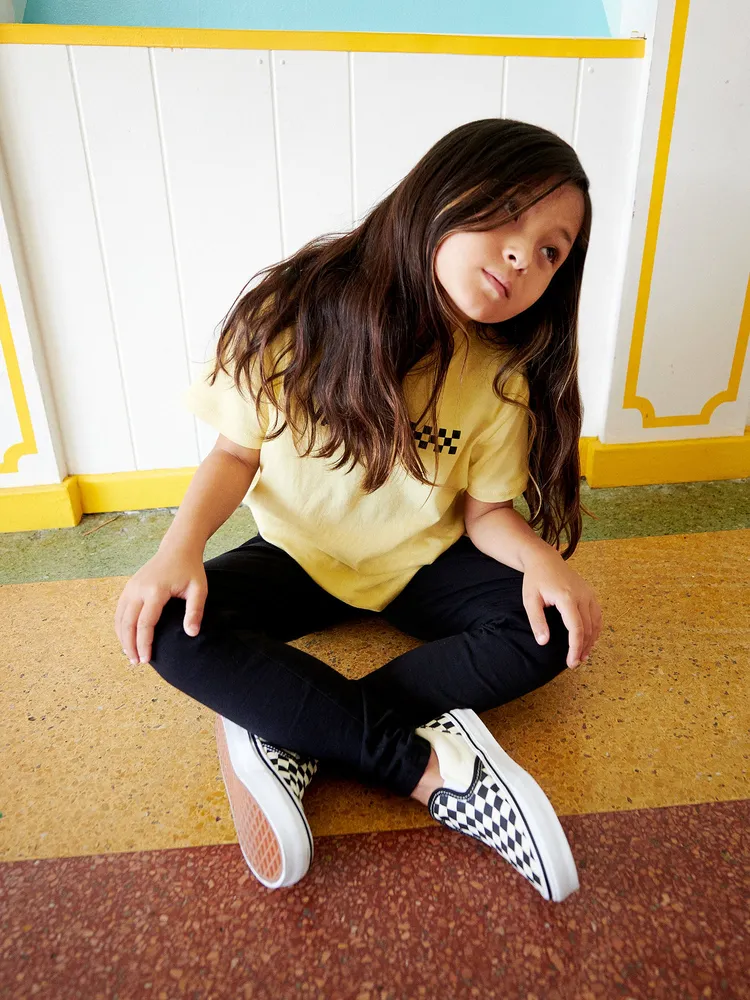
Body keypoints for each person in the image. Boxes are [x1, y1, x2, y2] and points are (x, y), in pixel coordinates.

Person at [115, 118, 603, 903]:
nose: (524, 252)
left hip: (421, 564)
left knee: (547, 631)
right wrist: (176, 548)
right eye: (509, 210)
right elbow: (235, 456)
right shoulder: (296, 309)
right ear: (440, 188)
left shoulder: (499, 372)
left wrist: (543, 559)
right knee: (169, 626)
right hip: (296, 556)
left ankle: (293, 730)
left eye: (552, 249)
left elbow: (485, 513)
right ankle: (431, 773)